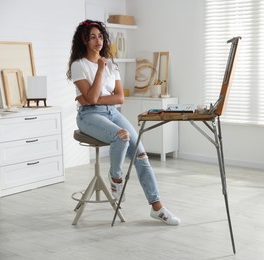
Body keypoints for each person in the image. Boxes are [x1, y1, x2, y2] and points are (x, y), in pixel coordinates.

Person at [66, 20, 180, 226]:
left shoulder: (111, 64)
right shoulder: (79, 65)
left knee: (142, 155)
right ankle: (116, 180)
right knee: (122, 135)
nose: (98, 41)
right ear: (84, 40)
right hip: (89, 116)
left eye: (100, 36)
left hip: (112, 112)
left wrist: (93, 97)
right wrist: (99, 72)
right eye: (92, 37)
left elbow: (119, 98)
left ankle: (157, 208)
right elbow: (90, 101)